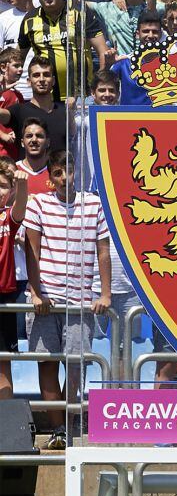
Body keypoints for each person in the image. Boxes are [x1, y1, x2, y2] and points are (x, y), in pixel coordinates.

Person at [25, 149, 111, 449]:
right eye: (58, 173)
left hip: (79, 301)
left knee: (76, 367)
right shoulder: (38, 204)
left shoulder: (95, 204)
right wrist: (36, 292)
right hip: (46, 300)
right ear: (50, 178)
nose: (64, 178)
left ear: (77, 173)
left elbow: (103, 251)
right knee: (47, 365)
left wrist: (105, 292)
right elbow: (31, 250)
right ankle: (59, 428)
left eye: (68, 171)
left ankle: (69, 422)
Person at [0, 160, 27, 400]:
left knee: (3, 361)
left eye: (3, 186)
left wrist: (22, 186)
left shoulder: (8, 217)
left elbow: (21, 208)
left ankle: (5, 423)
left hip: (5, 298)